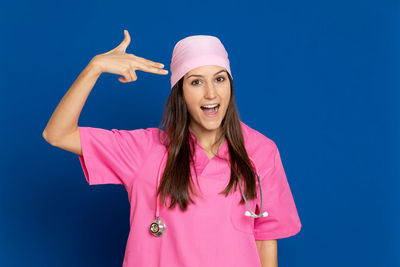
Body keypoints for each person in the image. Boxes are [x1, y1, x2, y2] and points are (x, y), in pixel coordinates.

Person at [42, 30, 301, 267]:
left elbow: (265, 238)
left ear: (230, 86)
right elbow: (57, 134)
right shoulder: (143, 151)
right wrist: (95, 67)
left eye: (219, 79)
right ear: (180, 92)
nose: (211, 93)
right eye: (196, 82)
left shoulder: (260, 151)